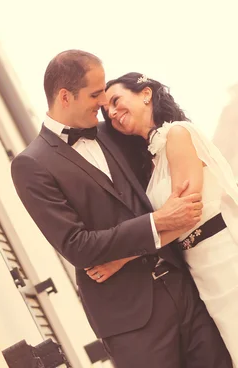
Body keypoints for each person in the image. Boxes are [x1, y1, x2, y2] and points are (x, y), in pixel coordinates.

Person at [10, 50, 232, 367]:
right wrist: (156, 223)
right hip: (130, 320)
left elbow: (163, 152)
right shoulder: (30, 165)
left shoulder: (113, 133)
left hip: (189, 289)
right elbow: (77, 246)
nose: (104, 104)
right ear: (65, 97)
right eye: (96, 93)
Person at [91, 72, 238, 364]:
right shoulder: (150, 160)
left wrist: (121, 258)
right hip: (199, 268)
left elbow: (185, 212)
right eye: (107, 112)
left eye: (117, 101)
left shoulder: (178, 133)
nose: (113, 113)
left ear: (145, 93)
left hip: (225, 256)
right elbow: (167, 219)